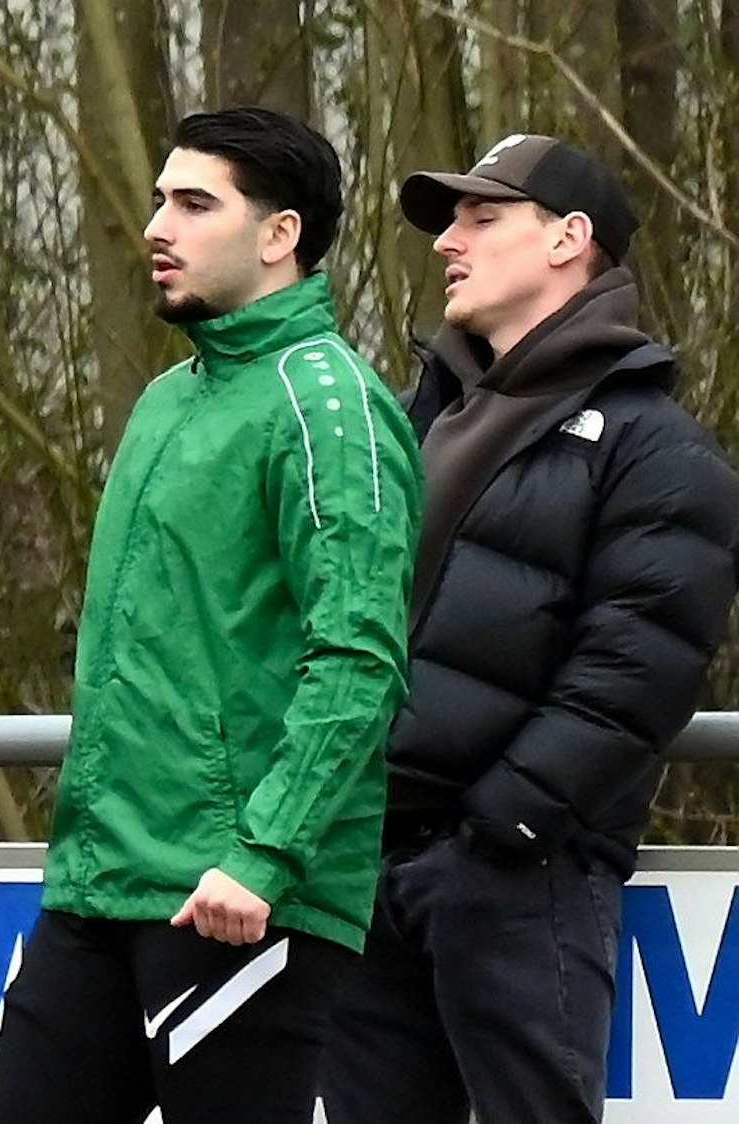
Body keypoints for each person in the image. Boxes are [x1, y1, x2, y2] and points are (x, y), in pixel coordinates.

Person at [0, 107, 422, 1124]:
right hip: (99, 880)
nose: (155, 225)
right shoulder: (167, 398)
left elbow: (356, 654)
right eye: (156, 198)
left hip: (234, 897)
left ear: (279, 234)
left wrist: (264, 851)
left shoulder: (329, 404)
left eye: (192, 201)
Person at [318, 135, 739, 1124]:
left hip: (513, 872)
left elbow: (635, 663)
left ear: (568, 239)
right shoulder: (407, 424)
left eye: (480, 217)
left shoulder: (656, 449)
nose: (445, 244)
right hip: (361, 859)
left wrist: (498, 829)